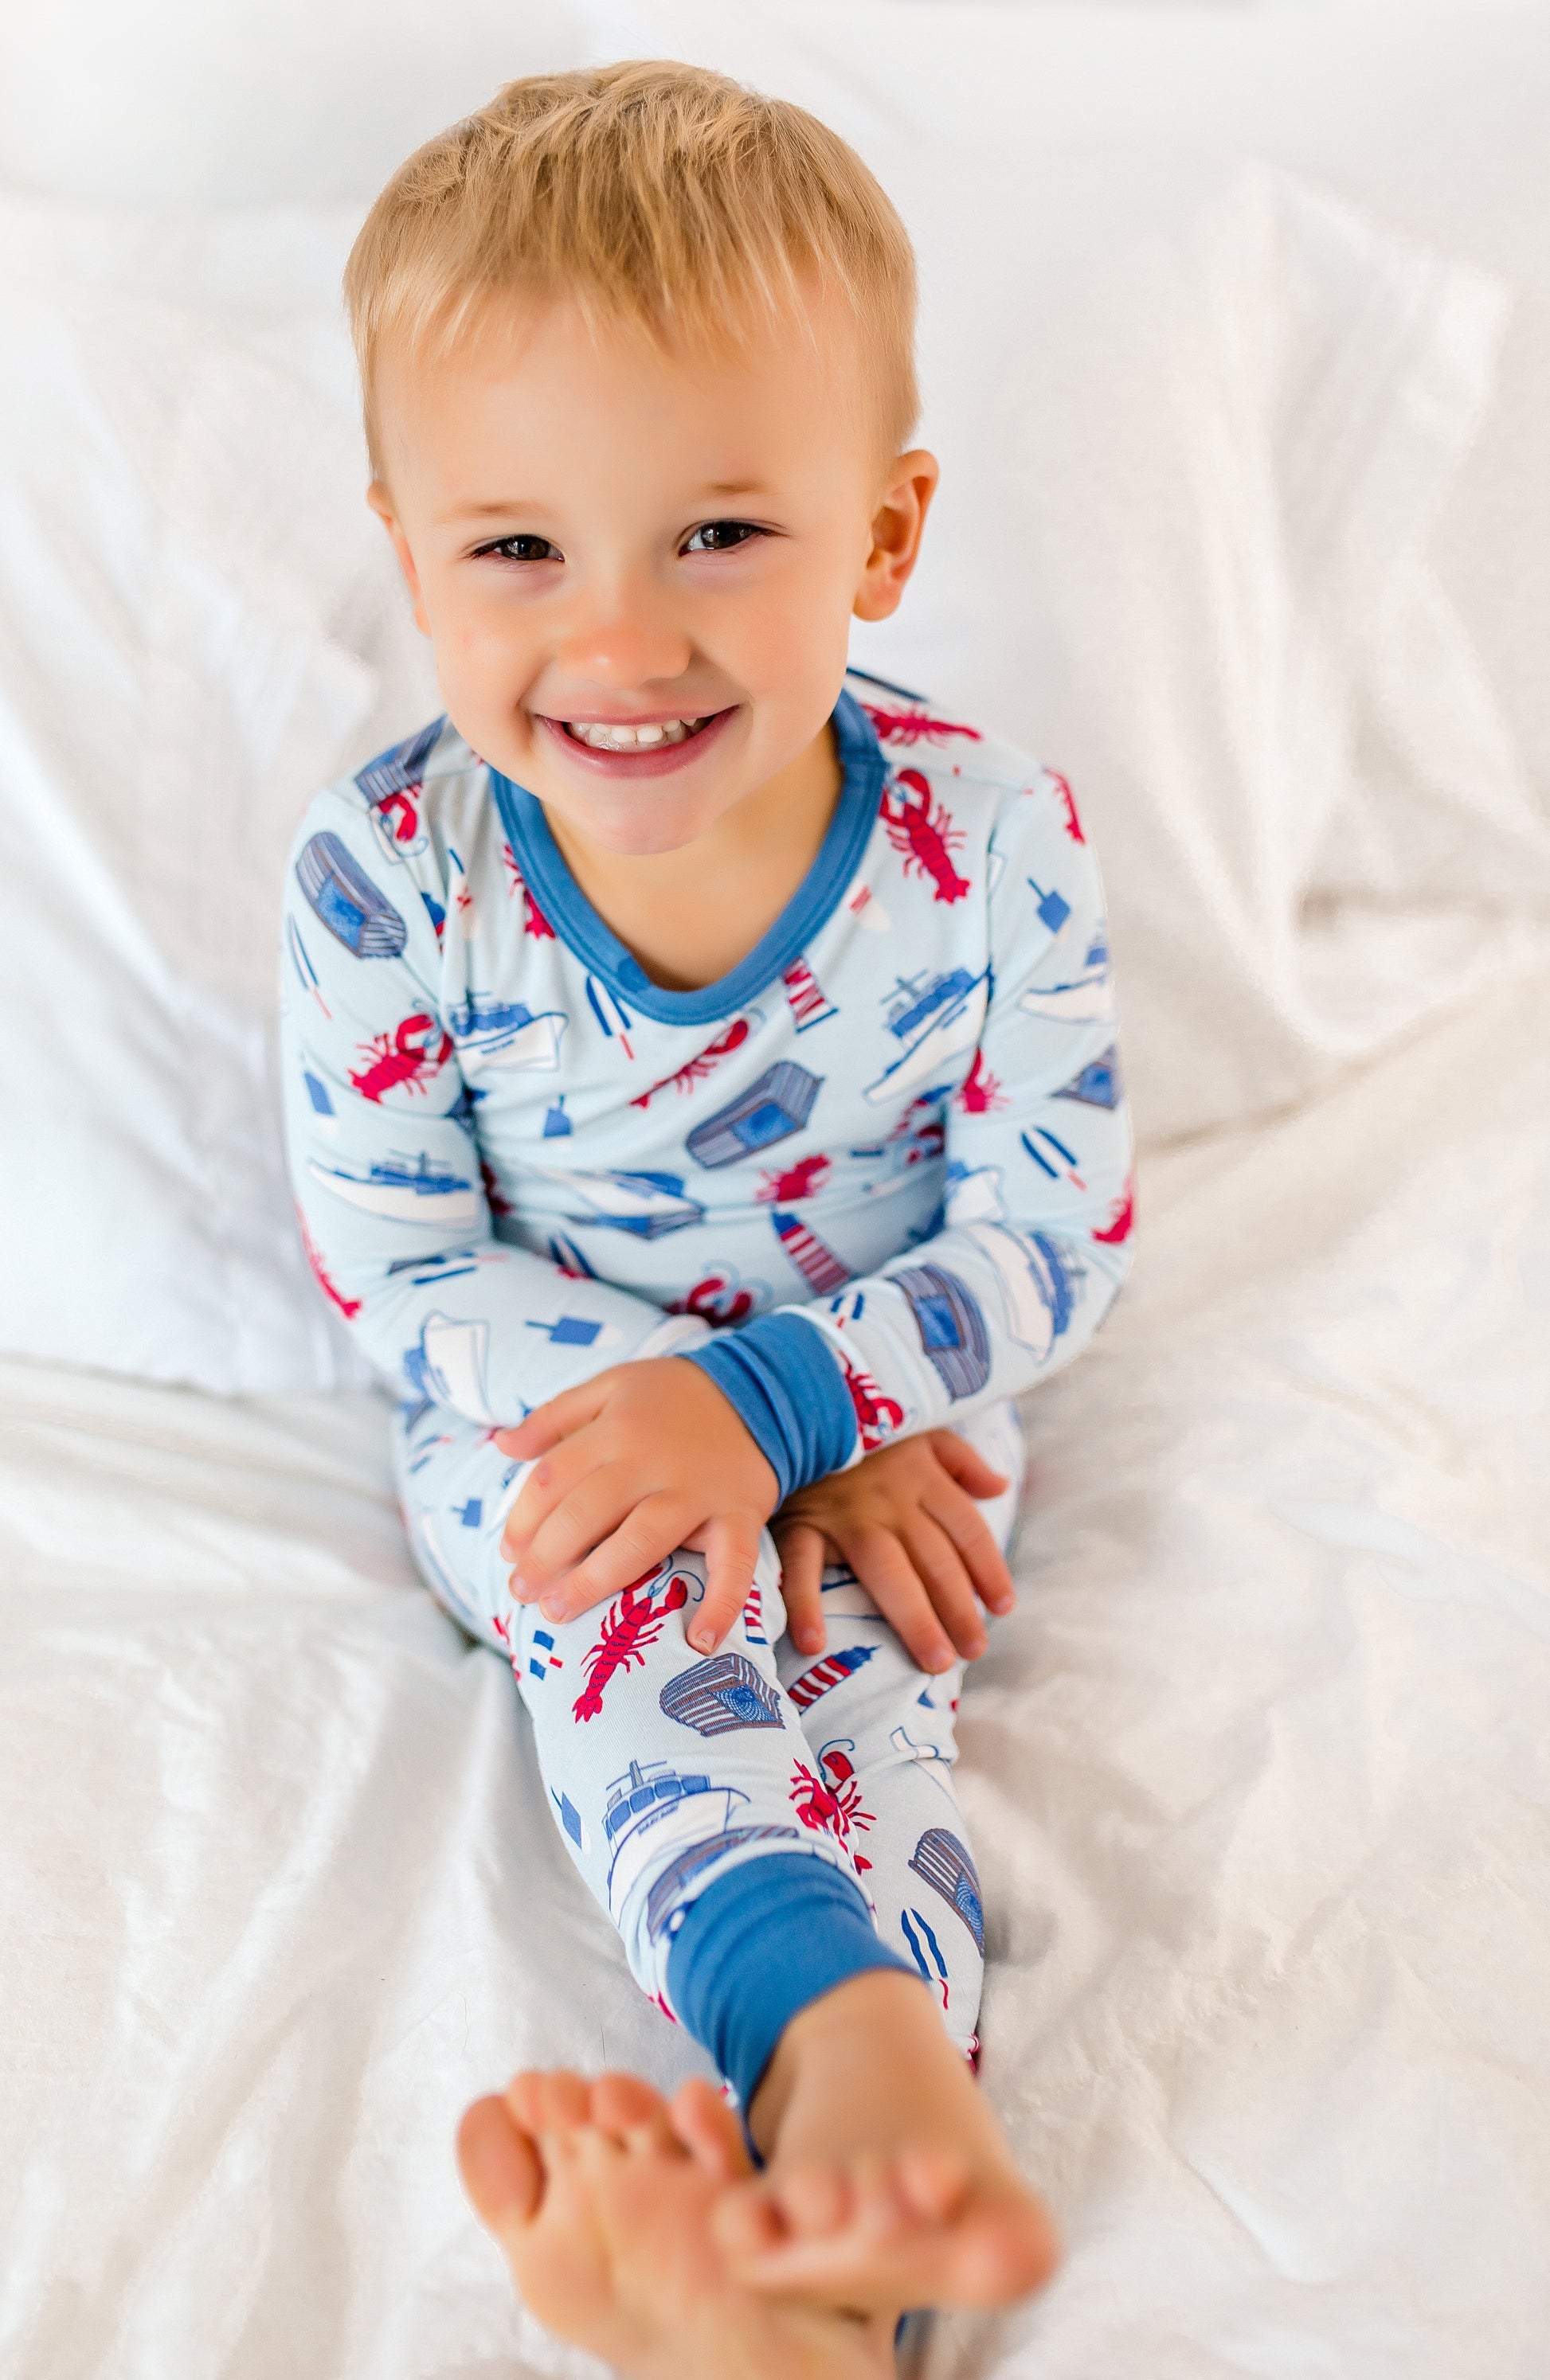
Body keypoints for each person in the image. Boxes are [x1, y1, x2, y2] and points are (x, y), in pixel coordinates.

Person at [280, 59, 1134, 2374]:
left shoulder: (986, 840)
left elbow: (1052, 1226)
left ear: (879, 535)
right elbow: (400, 1267)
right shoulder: (390, 883)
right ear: (410, 548)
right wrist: (693, 1429)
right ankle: (847, 2074)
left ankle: (829, 2279)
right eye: (521, 550)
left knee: (873, 1693)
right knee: (641, 1610)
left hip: (876, 1397)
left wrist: (794, 1404)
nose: (622, 643)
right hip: (546, 1413)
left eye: (720, 538)